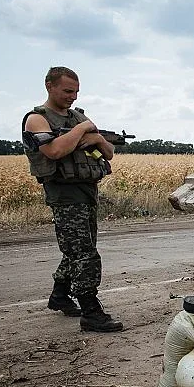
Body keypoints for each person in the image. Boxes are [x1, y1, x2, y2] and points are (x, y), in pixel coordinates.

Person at [22, 66, 123, 332]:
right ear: (49, 86)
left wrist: (96, 137)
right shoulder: (37, 119)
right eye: (68, 91)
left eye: (76, 92)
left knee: (77, 250)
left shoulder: (77, 116)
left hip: (86, 191)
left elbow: (109, 153)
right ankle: (91, 311)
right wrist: (83, 130)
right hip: (64, 194)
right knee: (84, 254)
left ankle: (59, 295)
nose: (73, 97)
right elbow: (54, 151)